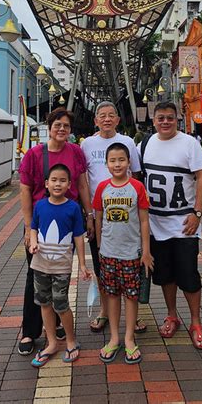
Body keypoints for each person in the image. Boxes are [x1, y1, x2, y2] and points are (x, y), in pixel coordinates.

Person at [18, 107, 94, 355]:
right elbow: (25, 191)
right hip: (40, 224)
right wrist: (30, 229)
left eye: (66, 126)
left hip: (68, 222)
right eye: (57, 125)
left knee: (61, 274)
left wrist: (90, 215)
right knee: (36, 277)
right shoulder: (34, 154)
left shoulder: (75, 152)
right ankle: (30, 330)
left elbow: (82, 184)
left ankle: (59, 323)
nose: (62, 129)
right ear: (49, 127)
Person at [138, 101, 202, 350]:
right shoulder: (145, 145)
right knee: (165, 275)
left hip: (184, 224)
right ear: (154, 120)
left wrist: (197, 213)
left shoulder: (190, 143)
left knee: (188, 275)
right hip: (156, 224)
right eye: (161, 118)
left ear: (177, 119)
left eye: (170, 118)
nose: (165, 122)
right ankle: (172, 314)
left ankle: (196, 322)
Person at [81, 101, 146, 334]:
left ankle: (133, 315)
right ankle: (104, 311)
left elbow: (136, 175)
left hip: (128, 216)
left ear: (118, 120)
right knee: (102, 265)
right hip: (99, 215)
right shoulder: (87, 144)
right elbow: (83, 181)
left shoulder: (128, 142)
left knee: (132, 266)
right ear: (96, 120)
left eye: (111, 115)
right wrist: (89, 214)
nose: (107, 119)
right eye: (102, 115)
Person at [92, 143, 154, 364]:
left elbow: (145, 220)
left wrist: (146, 252)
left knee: (131, 296)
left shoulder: (137, 187)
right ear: (107, 164)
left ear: (129, 162)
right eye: (112, 160)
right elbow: (98, 219)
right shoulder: (101, 188)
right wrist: (100, 248)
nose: (117, 164)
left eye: (121, 160)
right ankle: (115, 338)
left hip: (132, 253)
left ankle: (129, 337)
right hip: (108, 253)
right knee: (112, 295)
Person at [29, 164, 92, 367]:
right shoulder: (40, 205)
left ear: (69, 185)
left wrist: (82, 264)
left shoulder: (73, 207)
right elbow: (33, 228)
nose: (58, 184)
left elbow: (78, 237)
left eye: (62, 180)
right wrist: (33, 243)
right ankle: (52, 343)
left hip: (62, 267)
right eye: (54, 180)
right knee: (44, 303)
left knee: (61, 304)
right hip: (40, 265)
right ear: (46, 184)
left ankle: (71, 341)